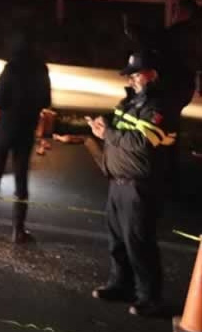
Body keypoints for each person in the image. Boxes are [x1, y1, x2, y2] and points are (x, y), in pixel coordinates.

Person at [87, 51, 176, 317]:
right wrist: (102, 125)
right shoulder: (129, 101)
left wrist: (109, 134)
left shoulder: (160, 106)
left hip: (140, 186)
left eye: (137, 73)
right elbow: (117, 128)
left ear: (153, 74)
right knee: (117, 240)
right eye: (131, 74)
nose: (133, 78)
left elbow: (142, 143)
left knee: (139, 242)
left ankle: (150, 298)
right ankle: (120, 285)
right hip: (117, 182)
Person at [0, 30, 51, 243]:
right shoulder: (41, 69)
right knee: (21, 178)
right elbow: (45, 100)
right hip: (27, 129)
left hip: (6, 128)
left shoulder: (11, 67)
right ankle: (18, 229)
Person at [123, 0, 201, 196]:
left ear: (184, 12)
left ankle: (167, 175)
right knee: (170, 125)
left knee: (166, 127)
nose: (173, 14)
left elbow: (158, 40)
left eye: (176, 10)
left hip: (174, 86)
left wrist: (133, 29)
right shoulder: (194, 32)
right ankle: (169, 173)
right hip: (183, 86)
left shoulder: (182, 32)